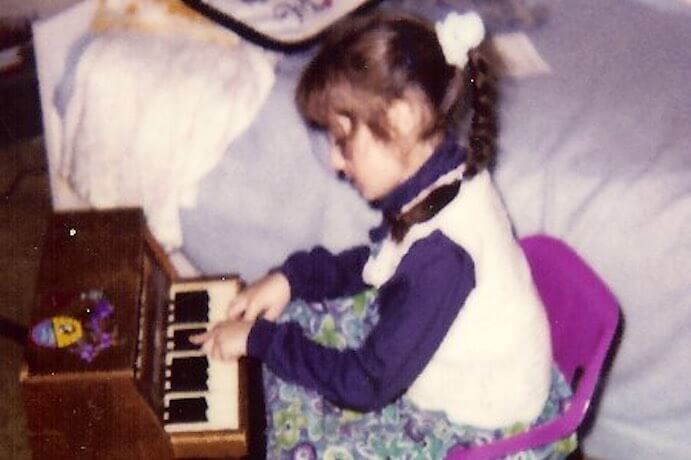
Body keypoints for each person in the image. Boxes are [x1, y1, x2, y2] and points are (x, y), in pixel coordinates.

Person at [191, 9, 565, 458]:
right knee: (290, 329)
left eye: (343, 139)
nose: (333, 162)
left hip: (476, 421)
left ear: (403, 119)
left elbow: (366, 385)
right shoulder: (440, 175)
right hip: (452, 368)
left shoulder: (443, 254)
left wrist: (261, 341)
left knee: (291, 431)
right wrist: (294, 278)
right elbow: (378, 259)